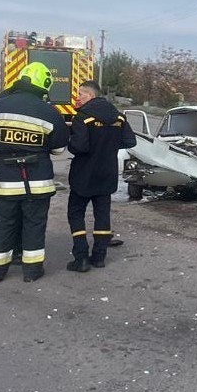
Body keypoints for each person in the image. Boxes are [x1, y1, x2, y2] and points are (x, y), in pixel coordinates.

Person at [0, 62, 69, 282]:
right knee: (34, 225)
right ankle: (32, 272)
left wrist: (3, 148)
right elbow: (58, 149)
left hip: (6, 182)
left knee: (3, 224)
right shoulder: (50, 112)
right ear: (44, 85)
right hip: (38, 182)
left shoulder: (0, 106)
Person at [66, 80, 136, 272]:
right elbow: (130, 141)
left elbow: (79, 146)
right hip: (107, 173)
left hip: (84, 175)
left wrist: (70, 140)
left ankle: (80, 258)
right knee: (102, 215)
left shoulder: (83, 117)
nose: (78, 98)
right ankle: (99, 257)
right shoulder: (118, 117)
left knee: (75, 213)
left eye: (81, 94)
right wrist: (108, 146)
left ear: (91, 95)